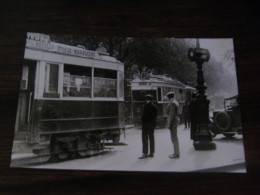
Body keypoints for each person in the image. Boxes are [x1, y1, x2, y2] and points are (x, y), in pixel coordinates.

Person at [139, 94, 157, 159]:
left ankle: (145, 153)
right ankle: (152, 152)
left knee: (145, 139)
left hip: (146, 125)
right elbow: (155, 116)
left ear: (146, 99)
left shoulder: (146, 106)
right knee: (151, 138)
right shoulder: (154, 106)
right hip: (152, 124)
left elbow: (145, 116)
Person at [165, 92, 180, 158]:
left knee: (174, 138)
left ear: (169, 97)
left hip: (173, 122)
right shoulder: (175, 102)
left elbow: (171, 115)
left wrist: (169, 124)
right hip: (175, 121)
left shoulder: (172, 103)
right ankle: (176, 152)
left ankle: (176, 153)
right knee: (174, 137)